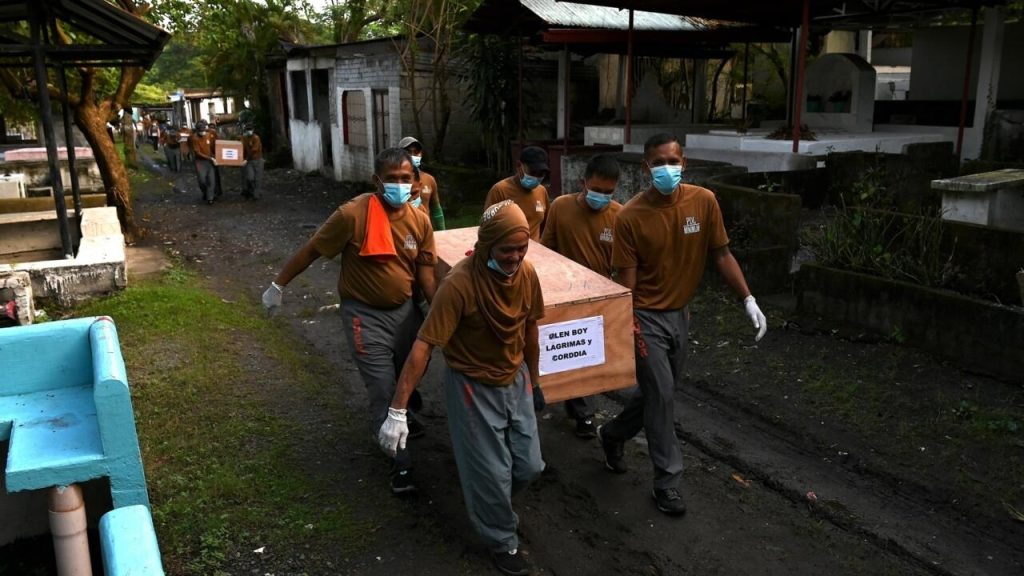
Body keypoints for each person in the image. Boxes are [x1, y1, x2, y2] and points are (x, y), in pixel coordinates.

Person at [596, 133, 767, 516]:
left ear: (684, 163)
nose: (667, 169)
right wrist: (625, 325)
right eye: (658, 163)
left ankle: (612, 433)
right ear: (646, 168)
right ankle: (667, 482)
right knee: (662, 395)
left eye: (673, 161)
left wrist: (748, 299)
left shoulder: (703, 202)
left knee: (659, 392)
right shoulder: (630, 217)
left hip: (680, 314)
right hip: (644, 316)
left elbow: (721, 254)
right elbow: (627, 281)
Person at [378, 200, 545, 576]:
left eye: (521, 248)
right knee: (493, 473)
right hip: (472, 384)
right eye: (506, 249)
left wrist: (535, 382)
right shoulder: (459, 284)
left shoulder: (527, 274)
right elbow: (423, 346)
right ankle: (502, 539)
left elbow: (531, 329)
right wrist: (398, 409)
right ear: (487, 246)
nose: (515, 257)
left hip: (514, 377)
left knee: (529, 465)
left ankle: (491, 501)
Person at [262, 148, 437, 495]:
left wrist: (440, 311)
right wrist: (278, 285)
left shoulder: (420, 221)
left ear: (415, 181)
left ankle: (402, 414)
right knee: (382, 387)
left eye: (406, 178)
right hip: (364, 317)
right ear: (377, 181)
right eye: (391, 179)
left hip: (405, 313)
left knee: (407, 373)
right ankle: (399, 462)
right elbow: (313, 249)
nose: (399, 185)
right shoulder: (352, 215)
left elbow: (426, 275)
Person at [540, 154, 623, 439]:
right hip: (564, 293)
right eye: (596, 189)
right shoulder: (561, 207)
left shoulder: (620, 216)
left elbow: (625, 263)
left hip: (601, 297)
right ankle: (579, 410)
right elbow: (546, 250)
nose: (601, 196)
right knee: (569, 350)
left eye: (608, 192)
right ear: (583, 182)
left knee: (589, 354)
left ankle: (580, 408)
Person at [483, 146, 550, 241]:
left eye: (541, 174)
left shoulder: (542, 191)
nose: (536, 177)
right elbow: (487, 227)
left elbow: (546, 225)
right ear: (519, 166)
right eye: (532, 172)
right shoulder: (500, 190)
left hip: (535, 248)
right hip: (508, 248)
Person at [399, 136, 446, 230]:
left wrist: (442, 232)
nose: (412, 155)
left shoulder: (429, 179)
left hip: (425, 231)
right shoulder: (395, 181)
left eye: (416, 152)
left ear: (421, 154)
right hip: (402, 231)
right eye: (408, 152)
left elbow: (436, 209)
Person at [189, 119, 217, 204]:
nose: (203, 132)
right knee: (202, 180)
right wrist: (210, 158)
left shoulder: (208, 135)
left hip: (210, 161)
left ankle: (210, 198)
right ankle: (205, 192)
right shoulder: (195, 138)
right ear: (197, 131)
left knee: (211, 180)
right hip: (200, 162)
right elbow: (197, 153)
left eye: (204, 130)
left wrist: (215, 155)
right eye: (201, 131)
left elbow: (213, 146)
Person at [241, 124, 264, 200]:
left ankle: (256, 194)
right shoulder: (245, 138)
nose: (249, 131)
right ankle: (251, 191)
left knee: (258, 178)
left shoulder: (256, 138)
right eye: (247, 130)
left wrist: (246, 159)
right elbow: (243, 148)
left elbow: (254, 150)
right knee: (250, 177)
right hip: (249, 161)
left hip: (257, 160)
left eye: (250, 129)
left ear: (253, 130)